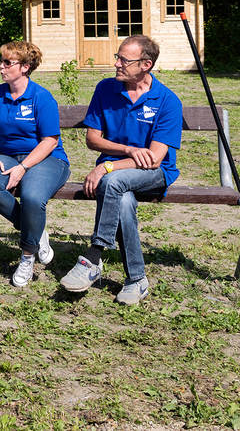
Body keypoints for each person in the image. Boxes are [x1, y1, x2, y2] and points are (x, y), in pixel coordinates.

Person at [60, 34, 183, 305]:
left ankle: (93, 257)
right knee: (123, 199)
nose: (116, 63)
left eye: (123, 60)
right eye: (117, 57)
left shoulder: (167, 101)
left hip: (155, 173)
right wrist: (126, 152)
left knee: (113, 183)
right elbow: (93, 139)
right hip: (116, 172)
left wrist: (107, 166)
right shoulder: (106, 89)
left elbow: (153, 159)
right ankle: (137, 279)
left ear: (146, 64)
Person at [0, 41, 70, 287]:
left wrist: (24, 167)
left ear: (25, 67)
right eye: (2, 61)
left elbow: (50, 140)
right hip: (8, 156)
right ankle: (36, 231)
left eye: (8, 63)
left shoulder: (41, 97)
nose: (2, 67)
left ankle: (27, 255)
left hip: (47, 158)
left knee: (31, 196)